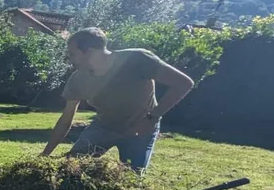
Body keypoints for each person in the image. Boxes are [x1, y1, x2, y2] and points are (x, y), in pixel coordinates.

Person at [41, 27, 195, 173]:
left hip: (139, 128)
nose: (70, 59)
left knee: (132, 179)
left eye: (72, 54)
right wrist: (45, 155)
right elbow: (66, 119)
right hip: (103, 127)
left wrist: (153, 117)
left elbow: (184, 83)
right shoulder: (78, 79)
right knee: (71, 167)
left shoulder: (137, 59)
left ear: (89, 52)